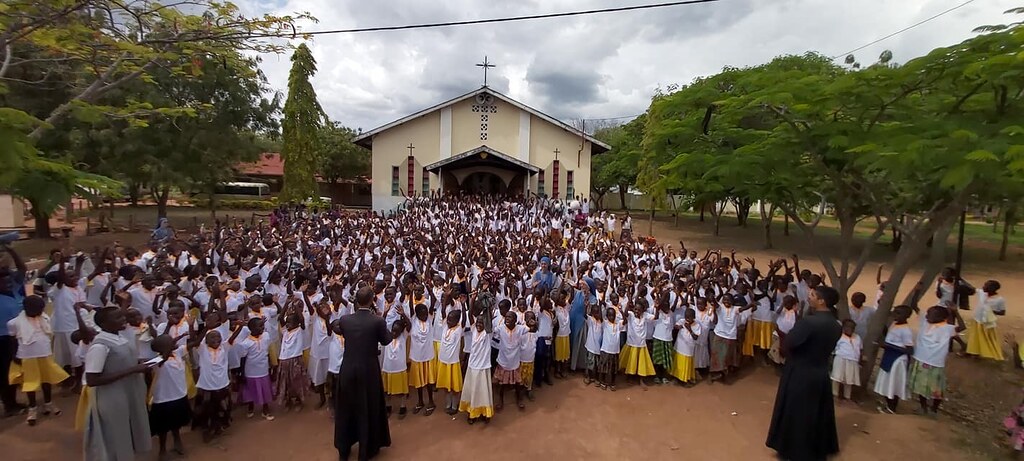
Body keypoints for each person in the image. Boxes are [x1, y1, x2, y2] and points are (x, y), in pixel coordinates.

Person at [766, 285, 843, 461]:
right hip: (820, 371)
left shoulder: (809, 322)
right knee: (817, 411)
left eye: (813, 295)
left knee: (797, 411)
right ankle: (816, 448)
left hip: (800, 371)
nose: (809, 296)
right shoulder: (836, 324)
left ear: (822, 301)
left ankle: (795, 450)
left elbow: (788, 344)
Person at [83, 306, 153, 461]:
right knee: (115, 434)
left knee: (126, 429)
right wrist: (132, 370)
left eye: (122, 316)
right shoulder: (100, 346)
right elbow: (92, 380)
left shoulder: (120, 337)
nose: (123, 320)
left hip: (126, 392)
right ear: (104, 323)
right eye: (118, 318)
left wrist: (141, 363)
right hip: (112, 397)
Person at [334, 286, 393, 461]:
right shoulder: (377, 321)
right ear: (372, 300)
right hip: (368, 370)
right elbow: (387, 339)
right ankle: (366, 450)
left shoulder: (345, 320)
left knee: (346, 408)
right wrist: (380, 316)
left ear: (356, 301)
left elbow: (339, 329)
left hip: (348, 368)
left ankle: (344, 449)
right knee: (368, 406)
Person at [7, 294, 69, 425]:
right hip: (27, 357)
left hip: (45, 354)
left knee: (46, 380)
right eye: (38, 309)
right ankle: (32, 408)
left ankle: (48, 403)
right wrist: (14, 355)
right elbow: (12, 341)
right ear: (26, 308)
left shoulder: (45, 318)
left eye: (42, 309)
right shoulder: (14, 323)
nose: (41, 312)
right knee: (31, 382)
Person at [908, 305, 966, 417]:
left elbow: (962, 327)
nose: (927, 316)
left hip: (929, 362)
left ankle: (930, 409)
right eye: (928, 314)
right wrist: (956, 312)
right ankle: (927, 408)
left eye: (930, 314)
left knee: (931, 389)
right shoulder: (928, 323)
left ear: (943, 318)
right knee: (931, 388)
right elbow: (962, 327)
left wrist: (955, 312)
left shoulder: (945, 328)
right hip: (931, 362)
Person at [149, 335, 191, 459]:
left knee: (177, 422)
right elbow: (164, 358)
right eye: (170, 341)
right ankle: (162, 450)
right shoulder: (156, 361)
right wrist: (169, 346)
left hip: (179, 395)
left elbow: (195, 343)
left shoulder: (177, 353)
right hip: (163, 399)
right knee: (163, 428)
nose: (174, 341)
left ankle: (177, 441)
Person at [0, 243, 28, 416]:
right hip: (2, 339)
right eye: (5, 280)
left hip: (17, 337)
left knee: (13, 370)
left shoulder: (16, 291)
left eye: (10, 279)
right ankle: (9, 405)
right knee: (4, 372)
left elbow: (22, 269)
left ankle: (11, 401)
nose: (9, 282)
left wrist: (10, 250)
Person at [873, 305, 915, 414]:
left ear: (907, 316)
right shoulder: (895, 324)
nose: (895, 315)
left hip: (897, 360)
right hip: (889, 356)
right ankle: (888, 405)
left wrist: (888, 345)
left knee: (894, 384)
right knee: (888, 383)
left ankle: (892, 408)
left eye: (898, 313)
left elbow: (909, 350)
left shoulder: (906, 331)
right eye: (895, 312)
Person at [459, 314, 494, 424]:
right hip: (472, 367)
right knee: (472, 391)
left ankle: (484, 412)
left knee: (483, 392)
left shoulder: (488, 334)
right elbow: (470, 316)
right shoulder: (474, 330)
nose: (479, 324)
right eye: (477, 322)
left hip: (483, 367)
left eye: (481, 323)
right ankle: (472, 413)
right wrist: (473, 299)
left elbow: (488, 322)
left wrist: (488, 308)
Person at [966, 280, 1005, 361]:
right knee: (974, 338)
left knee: (987, 338)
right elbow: (971, 288)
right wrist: (959, 278)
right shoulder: (982, 293)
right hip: (977, 320)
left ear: (992, 288)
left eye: (986, 285)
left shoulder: (999, 300)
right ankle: (974, 352)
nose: (983, 287)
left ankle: (990, 352)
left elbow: (1002, 312)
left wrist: (991, 311)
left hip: (987, 323)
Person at [831, 319, 862, 404]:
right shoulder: (839, 336)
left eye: (852, 327)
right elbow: (834, 349)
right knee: (837, 377)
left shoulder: (857, 337)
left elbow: (860, 349)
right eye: (847, 327)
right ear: (843, 327)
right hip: (841, 358)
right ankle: (835, 395)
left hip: (853, 360)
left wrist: (860, 359)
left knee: (849, 379)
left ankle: (847, 397)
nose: (850, 329)